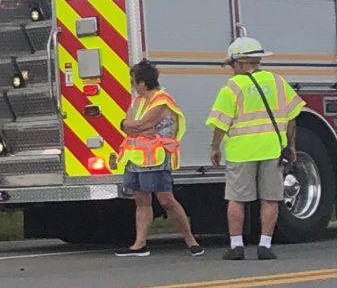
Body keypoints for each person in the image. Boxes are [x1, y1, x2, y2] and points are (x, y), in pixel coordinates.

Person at [207, 36, 302, 261]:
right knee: (270, 198)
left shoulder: (233, 87)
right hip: (271, 150)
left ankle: (236, 246)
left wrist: (214, 147)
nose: (231, 70)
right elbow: (292, 119)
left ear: (239, 63)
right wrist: (291, 146)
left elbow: (221, 122)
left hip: (241, 152)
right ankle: (265, 245)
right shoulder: (278, 82)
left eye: (231, 65)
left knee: (237, 199)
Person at [114, 60, 203, 257]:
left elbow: (141, 124)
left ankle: (191, 241)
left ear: (143, 83)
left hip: (156, 157)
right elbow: (129, 124)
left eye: (133, 82)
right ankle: (139, 244)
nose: (132, 86)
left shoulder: (162, 100)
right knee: (141, 200)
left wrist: (135, 126)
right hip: (136, 157)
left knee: (166, 200)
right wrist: (131, 125)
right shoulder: (137, 101)